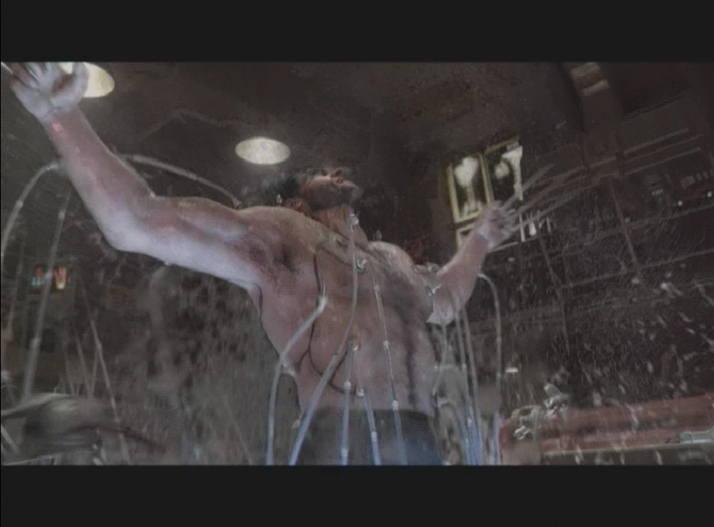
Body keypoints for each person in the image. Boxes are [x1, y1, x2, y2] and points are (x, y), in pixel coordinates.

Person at [8, 62, 514, 464]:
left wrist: (481, 239)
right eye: (319, 173)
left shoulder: (392, 259)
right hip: (341, 442)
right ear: (295, 201)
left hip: (423, 441)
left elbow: (447, 299)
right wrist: (62, 117)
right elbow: (135, 220)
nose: (335, 172)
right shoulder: (285, 236)